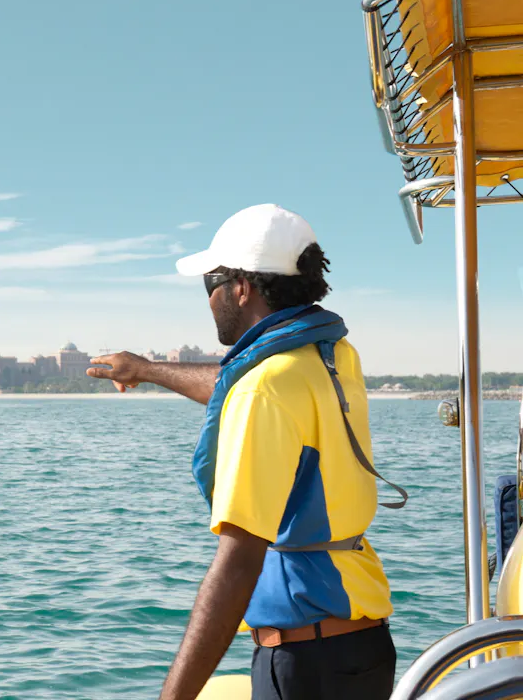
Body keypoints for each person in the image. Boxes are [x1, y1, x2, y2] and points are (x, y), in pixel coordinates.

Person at [88, 204, 402, 700]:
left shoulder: (265, 390)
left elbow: (238, 563)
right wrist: (146, 369)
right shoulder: (333, 354)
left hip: (305, 663)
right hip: (363, 645)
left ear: (241, 288)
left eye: (210, 282)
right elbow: (236, 384)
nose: (209, 298)